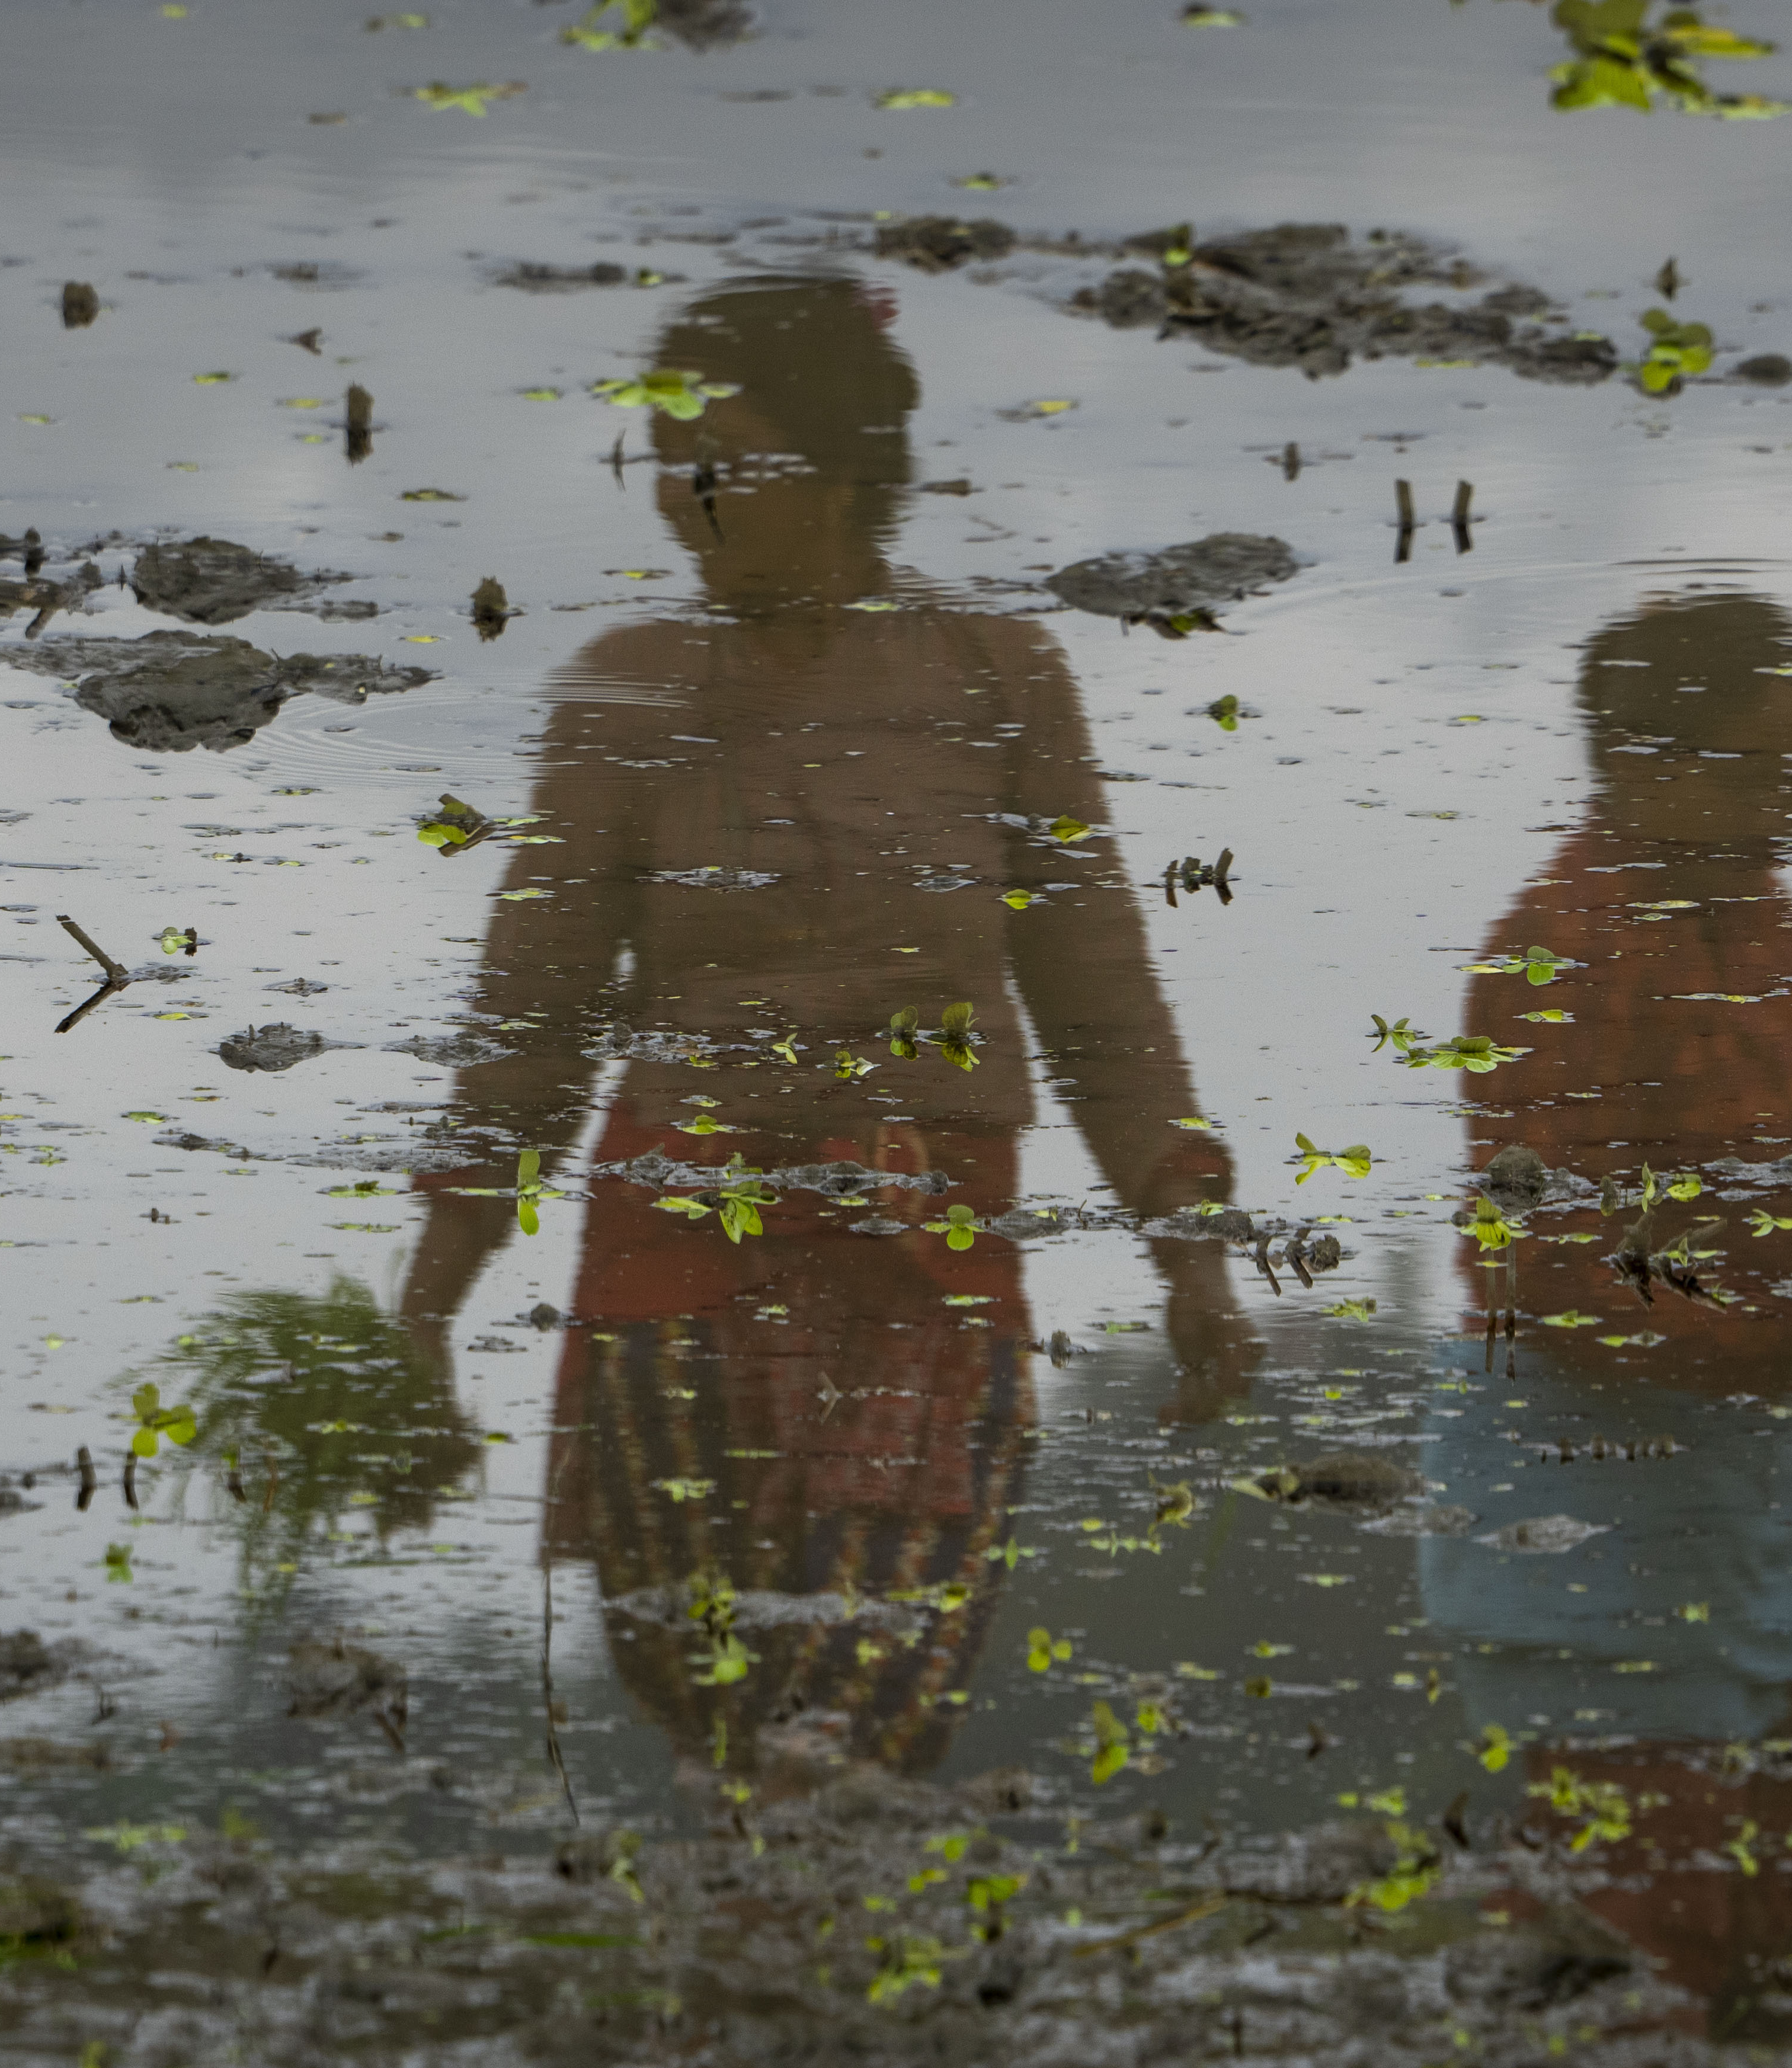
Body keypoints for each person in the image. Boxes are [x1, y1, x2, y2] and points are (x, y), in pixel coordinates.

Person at [401, 276, 1256, 1793]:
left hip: (927, 1266)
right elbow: (530, 1016)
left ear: (847, 470)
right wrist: (425, 1309)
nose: (684, 495)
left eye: (724, 458)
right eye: (667, 460)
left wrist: (1188, 1246)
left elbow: (1100, 994)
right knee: (721, 1722)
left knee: (861, 1716)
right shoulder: (626, 694)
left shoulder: (996, 678)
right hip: (673, 1279)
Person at [1423, 591, 1792, 2032]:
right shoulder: (1555, 950)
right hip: (1578, 1468)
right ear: (1635, 758)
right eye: (1752, 771)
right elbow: (1545, 1271)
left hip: (1725, 1460)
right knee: (1637, 1894)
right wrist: (1784, 1310)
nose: (1784, 806)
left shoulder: (1753, 912)